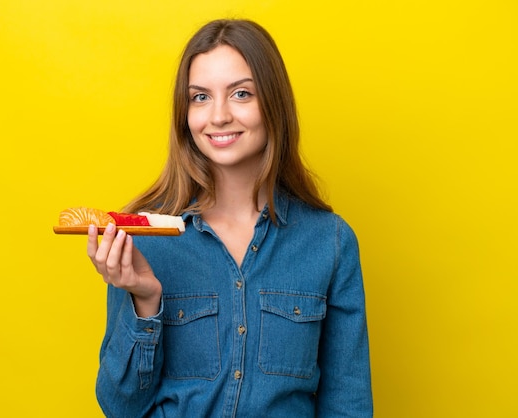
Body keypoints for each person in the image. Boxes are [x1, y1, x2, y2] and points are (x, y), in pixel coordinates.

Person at [87, 18, 373, 417]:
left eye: (241, 94)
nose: (218, 116)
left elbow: (348, 404)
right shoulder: (145, 238)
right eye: (200, 97)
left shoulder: (331, 243)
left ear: (273, 103)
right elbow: (120, 406)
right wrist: (145, 300)